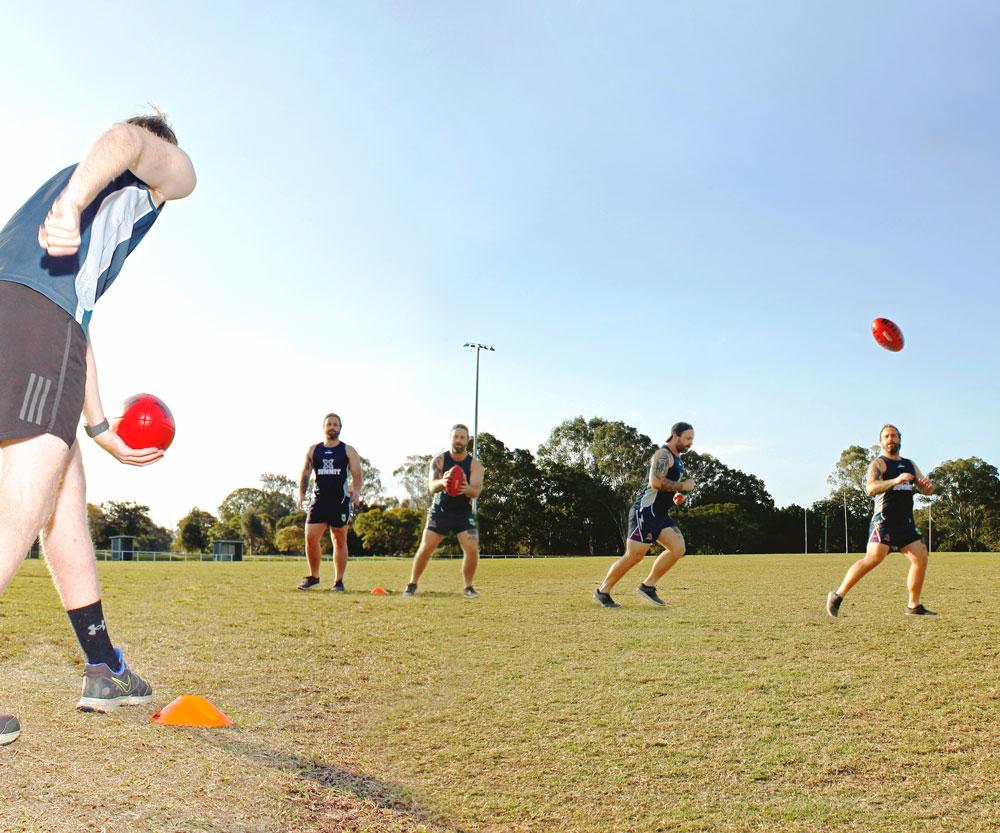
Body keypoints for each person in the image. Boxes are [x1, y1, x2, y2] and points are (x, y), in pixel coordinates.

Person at [0, 113, 197, 743]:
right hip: (36, 322)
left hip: (34, 320)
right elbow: (129, 137)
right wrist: (78, 201)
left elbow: (78, 324)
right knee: (18, 514)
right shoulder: (147, 166)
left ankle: (102, 664)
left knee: (65, 509)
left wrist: (100, 424)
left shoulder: (68, 215)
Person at [826, 424, 936, 617]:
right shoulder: (879, 463)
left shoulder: (910, 464)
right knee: (873, 558)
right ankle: (837, 595)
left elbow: (925, 489)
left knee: (921, 558)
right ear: (881, 442)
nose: (890, 439)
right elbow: (870, 488)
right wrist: (895, 481)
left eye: (894, 435)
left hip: (906, 524)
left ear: (900, 439)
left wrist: (927, 488)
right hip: (884, 521)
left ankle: (913, 606)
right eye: (886, 436)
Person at [594, 422, 696, 608]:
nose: (690, 443)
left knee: (678, 548)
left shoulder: (678, 459)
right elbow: (655, 483)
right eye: (688, 438)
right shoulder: (663, 455)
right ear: (675, 435)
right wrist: (683, 486)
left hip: (660, 514)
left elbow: (665, 487)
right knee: (634, 556)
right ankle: (603, 591)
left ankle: (648, 586)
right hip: (645, 512)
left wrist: (677, 496)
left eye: (692, 439)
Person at [403, 425, 485, 598]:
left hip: (464, 512)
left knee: (472, 547)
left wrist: (465, 488)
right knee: (426, 548)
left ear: (468, 441)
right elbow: (431, 487)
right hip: (440, 510)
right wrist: (444, 482)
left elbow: (476, 491)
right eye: (456, 437)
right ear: (450, 439)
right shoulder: (439, 460)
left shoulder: (475, 465)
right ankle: (412, 583)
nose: (459, 440)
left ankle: (468, 587)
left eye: (463, 437)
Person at [296, 413, 362, 591]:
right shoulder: (313, 450)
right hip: (318, 501)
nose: (332, 427)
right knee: (310, 538)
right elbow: (305, 473)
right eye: (329, 424)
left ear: (340, 428)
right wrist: (301, 494)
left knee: (339, 539)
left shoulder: (348, 450)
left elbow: (357, 473)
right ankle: (314, 576)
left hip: (339, 501)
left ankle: (338, 581)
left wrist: (356, 492)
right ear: (324, 427)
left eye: (336, 424)